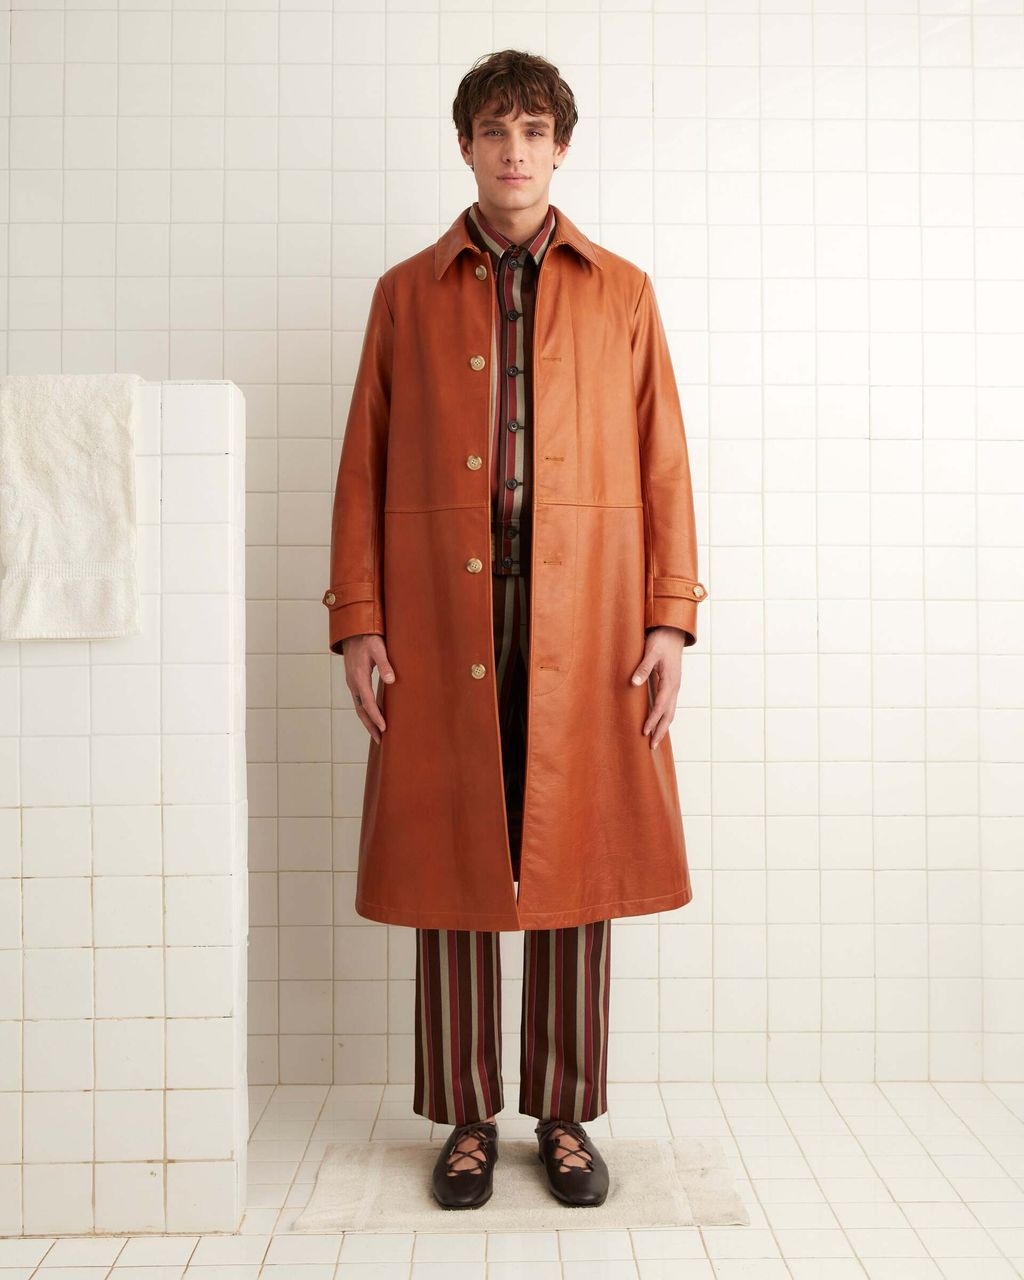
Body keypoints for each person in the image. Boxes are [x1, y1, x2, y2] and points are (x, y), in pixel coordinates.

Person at [325, 48, 706, 1211]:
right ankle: (466, 1117)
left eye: (534, 130)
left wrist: (669, 617)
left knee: (574, 855)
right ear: (465, 146)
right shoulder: (405, 292)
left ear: (561, 147)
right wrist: (359, 618)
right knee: (453, 856)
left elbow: (663, 460)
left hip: (588, 615)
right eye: (494, 130)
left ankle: (565, 1114)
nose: (514, 150)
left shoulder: (622, 291)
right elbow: (363, 463)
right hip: (442, 610)